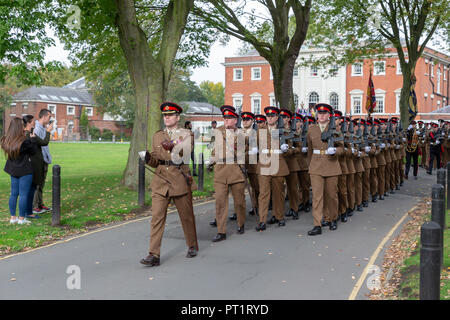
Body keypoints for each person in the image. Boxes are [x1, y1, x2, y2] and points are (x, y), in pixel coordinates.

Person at [140, 102, 198, 267]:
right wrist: (147, 158)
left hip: (179, 178)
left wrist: (173, 146)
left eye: (170, 115)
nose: (167, 117)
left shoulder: (186, 134)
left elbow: (185, 154)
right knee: (156, 218)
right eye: (165, 115)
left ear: (178, 117)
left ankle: (192, 245)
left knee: (186, 217)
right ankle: (153, 254)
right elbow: (156, 159)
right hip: (160, 182)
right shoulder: (157, 135)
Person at [208, 105, 248, 241]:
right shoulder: (218, 131)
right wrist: (212, 159)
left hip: (235, 170)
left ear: (235, 120)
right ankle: (221, 231)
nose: (226, 121)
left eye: (229, 118)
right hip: (220, 170)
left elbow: (242, 151)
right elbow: (214, 149)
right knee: (220, 202)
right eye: (224, 118)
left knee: (240, 202)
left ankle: (241, 223)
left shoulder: (241, 134)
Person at [307, 103, 343, 235]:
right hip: (316, 166)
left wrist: (336, 150)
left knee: (331, 195)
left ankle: (332, 219)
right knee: (317, 196)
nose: (321, 116)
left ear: (329, 116)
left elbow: (342, 147)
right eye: (319, 113)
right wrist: (309, 166)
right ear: (317, 115)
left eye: (324, 113)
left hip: (331, 164)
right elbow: (310, 150)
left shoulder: (335, 129)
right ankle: (317, 224)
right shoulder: (311, 129)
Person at [1, 117, 38, 225]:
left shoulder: (6, 140)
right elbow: (33, 152)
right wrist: (33, 139)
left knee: (13, 194)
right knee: (23, 195)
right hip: (24, 170)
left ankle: (13, 218)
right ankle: (21, 219)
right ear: (18, 127)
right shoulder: (24, 141)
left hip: (13, 170)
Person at [23, 115, 52, 219]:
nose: (34, 122)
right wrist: (48, 131)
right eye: (33, 121)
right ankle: (31, 210)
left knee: (36, 186)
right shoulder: (29, 134)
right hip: (33, 165)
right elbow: (43, 143)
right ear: (30, 122)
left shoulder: (31, 133)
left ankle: (34, 208)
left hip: (36, 163)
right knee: (32, 188)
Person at [32, 109, 53, 214]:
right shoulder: (37, 129)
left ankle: (40, 204)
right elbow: (41, 144)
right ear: (44, 117)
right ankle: (35, 206)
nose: (50, 119)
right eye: (49, 117)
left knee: (41, 184)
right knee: (37, 184)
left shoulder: (42, 128)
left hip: (44, 160)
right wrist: (48, 132)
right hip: (39, 160)